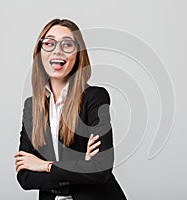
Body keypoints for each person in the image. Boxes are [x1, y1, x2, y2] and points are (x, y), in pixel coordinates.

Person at [14, 18, 127, 200]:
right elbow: (25, 176)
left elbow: (101, 170)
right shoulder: (31, 107)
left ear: (78, 54)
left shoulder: (95, 98)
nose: (57, 50)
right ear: (39, 52)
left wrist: (46, 166)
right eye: (49, 43)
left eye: (67, 44)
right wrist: (82, 165)